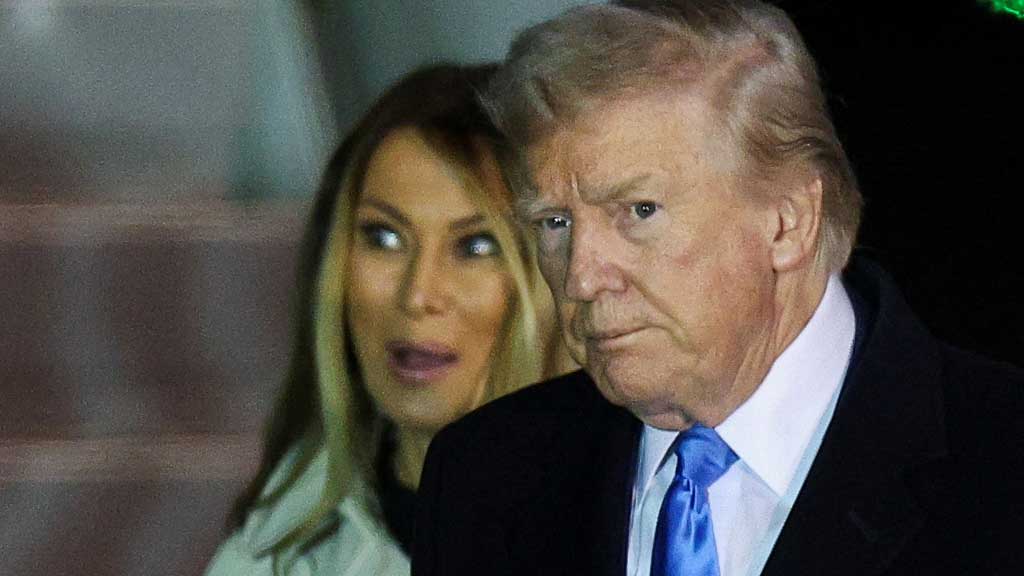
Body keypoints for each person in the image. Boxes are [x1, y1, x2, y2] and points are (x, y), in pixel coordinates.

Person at [411, 2, 1024, 576]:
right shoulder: (481, 477)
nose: (581, 276)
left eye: (639, 210)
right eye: (556, 223)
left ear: (789, 221)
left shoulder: (1001, 465)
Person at [205, 64, 572, 576]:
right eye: (384, 238)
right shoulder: (282, 543)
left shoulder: (656, 524)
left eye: (476, 246)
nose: (418, 294)